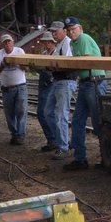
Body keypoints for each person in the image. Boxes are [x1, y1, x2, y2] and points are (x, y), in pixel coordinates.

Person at [63, 17, 107, 171]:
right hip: (85, 83)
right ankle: (80, 159)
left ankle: (107, 158)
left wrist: (69, 65)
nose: (71, 32)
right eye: (68, 30)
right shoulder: (72, 43)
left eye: (73, 29)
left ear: (80, 28)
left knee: (98, 122)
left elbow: (87, 59)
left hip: (94, 82)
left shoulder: (84, 38)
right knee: (77, 120)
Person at [44, 20, 76, 159]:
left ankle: (63, 147)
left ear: (63, 31)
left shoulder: (67, 43)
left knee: (60, 115)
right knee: (48, 112)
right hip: (58, 80)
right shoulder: (59, 45)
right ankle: (62, 141)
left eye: (55, 31)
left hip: (66, 80)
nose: (54, 34)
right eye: (52, 32)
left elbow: (68, 63)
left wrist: (54, 67)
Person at [0, 33, 27, 145]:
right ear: (2, 44)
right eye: (5, 42)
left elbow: (27, 68)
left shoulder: (19, 51)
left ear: (13, 42)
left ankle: (20, 135)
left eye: (9, 42)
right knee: (9, 113)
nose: (7, 44)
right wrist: (3, 64)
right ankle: (14, 133)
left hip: (20, 86)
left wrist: (18, 62)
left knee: (21, 111)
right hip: (6, 88)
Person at [36, 32, 57, 151]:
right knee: (45, 113)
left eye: (49, 41)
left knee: (44, 113)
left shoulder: (56, 53)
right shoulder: (44, 54)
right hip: (43, 85)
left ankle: (54, 139)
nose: (47, 44)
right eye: (45, 42)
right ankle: (52, 139)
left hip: (50, 84)